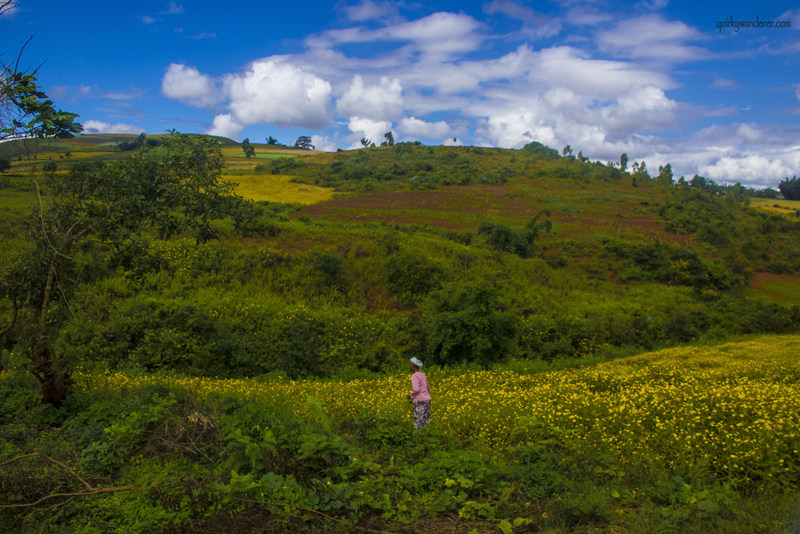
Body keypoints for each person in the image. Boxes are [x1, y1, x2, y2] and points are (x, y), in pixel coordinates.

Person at [406, 357, 431, 429]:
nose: (409, 366)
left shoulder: (414, 376)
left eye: (410, 365)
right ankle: (428, 436)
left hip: (420, 401)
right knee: (426, 420)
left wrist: (410, 396)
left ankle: (417, 438)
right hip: (427, 400)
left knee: (418, 421)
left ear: (413, 366)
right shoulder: (423, 375)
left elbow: (416, 390)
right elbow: (428, 387)